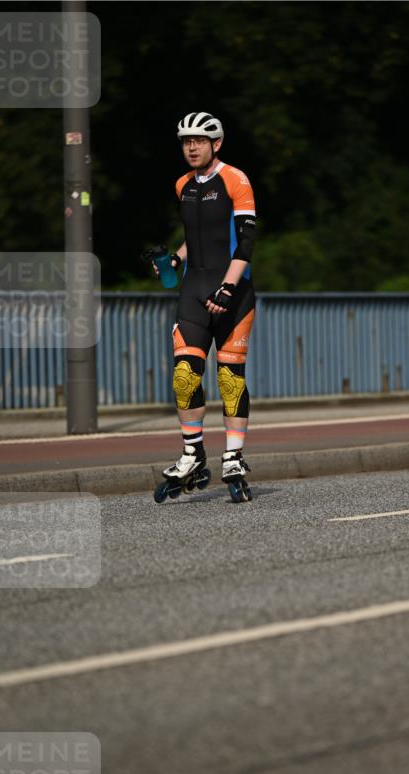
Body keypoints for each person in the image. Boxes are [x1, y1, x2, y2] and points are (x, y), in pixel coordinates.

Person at [154, 111, 257, 501]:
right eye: (185, 141)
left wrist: (228, 288)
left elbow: (245, 241)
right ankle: (192, 454)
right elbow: (193, 238)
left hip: (233, 294)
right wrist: (175, 261)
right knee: (185, 376)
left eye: (199, 140)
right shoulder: (183, 184)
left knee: (230, 380)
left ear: (216, 143)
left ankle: (232, 455)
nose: (191, 147)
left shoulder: (235, 179)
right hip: (194, 291)